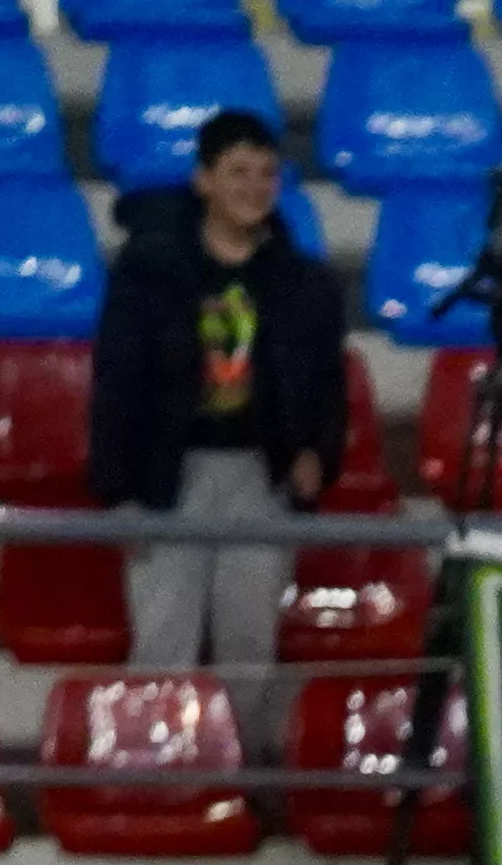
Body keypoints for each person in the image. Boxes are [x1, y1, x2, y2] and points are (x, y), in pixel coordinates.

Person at [90, 111, 346, 727]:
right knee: (161, 643)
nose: (254, 187)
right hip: (165, 476)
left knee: (250, 647)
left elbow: (328, 387)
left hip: (262, 476)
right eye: (237, 172)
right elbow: (117, 382)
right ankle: (158, 778)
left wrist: (320, 453)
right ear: (203, 181)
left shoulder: (304, 283)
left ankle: (238, 784)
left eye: (266, 174)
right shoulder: (148, 272)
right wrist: (117, 491)